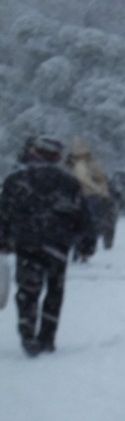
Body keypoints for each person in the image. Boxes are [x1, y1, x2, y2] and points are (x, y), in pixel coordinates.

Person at [0, 135, 97, 357]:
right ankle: (47, 336)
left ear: (34, 153)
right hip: (57, 245)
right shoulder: (68, 183)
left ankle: (27, 332)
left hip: (27, 244)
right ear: (57, 157)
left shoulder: (16, 181)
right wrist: (86, 242)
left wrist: (3, 239)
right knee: (54, 290)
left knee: (27, 290)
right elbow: (82, 215)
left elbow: (4, 213)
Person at [65, 137, 117, 258]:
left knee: (85, 224)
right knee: (89, 224)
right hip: (89, 196)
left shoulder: (82, 166)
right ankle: (83, 249)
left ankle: (81, 249)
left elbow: (87, 180)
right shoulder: (87, 165)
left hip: (87, 196)